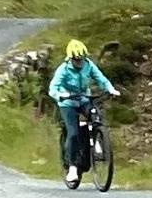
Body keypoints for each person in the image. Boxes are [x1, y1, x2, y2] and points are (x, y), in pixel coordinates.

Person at [48, 40, 120, 184]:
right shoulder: (63, 69)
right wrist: (60, 95)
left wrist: (110, 89)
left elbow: (101, 79)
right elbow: (53, 88)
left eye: (81, 59)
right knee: (73, 133)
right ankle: (72, 168)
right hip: (68, 103)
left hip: (84, 99)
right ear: (71, 58)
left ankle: (98, 140)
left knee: (96, 116)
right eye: (76, 60)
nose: (79, 63)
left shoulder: (88, 64)